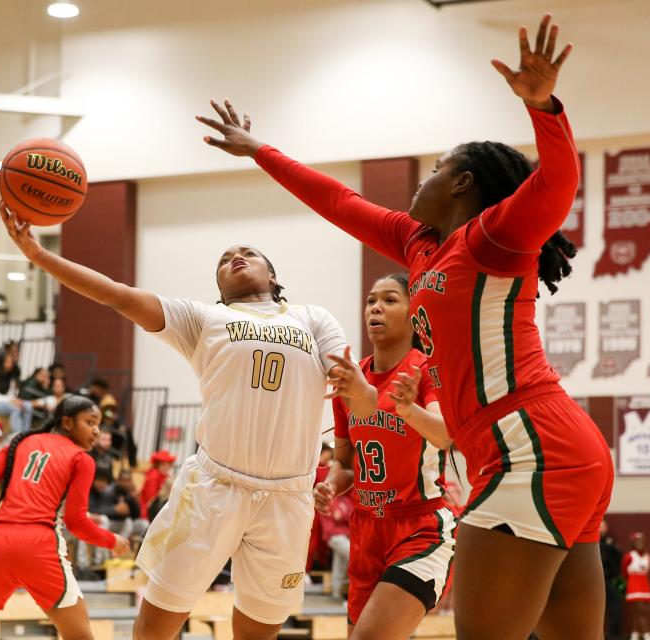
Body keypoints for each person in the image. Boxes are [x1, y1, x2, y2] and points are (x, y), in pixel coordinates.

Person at [198, 14, 613, 639]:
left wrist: (545, 109)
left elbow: (557, 186)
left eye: (437, 168)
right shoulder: (418, 243)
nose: (423, 179)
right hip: (552, 448)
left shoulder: (495, 236)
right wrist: (261, 151)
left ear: (462, 184)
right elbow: (338, 201)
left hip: (528, 446)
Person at [0, 201, 378, 640]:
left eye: (248, 253)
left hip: (288, 496)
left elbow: (354, 386)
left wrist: (353, 385)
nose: (235, 256)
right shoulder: (203, 318)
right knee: (155, 627)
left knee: (260, 632)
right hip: (213, 489)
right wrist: (40, 256)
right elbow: (117, 294)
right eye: (224, 258)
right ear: (218, 285)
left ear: (272, 277)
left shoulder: (312, 317)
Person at [315, 273, 455, 638]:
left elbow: (444, 435)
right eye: (371, 300)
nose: (376, 307)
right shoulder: (352, 379)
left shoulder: (426, 369)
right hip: (366, 529)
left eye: (390, 300)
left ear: (414, 313)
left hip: (420, 527)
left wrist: (409, 410)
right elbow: (346, 463)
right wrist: (331, 485)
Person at [0, 395, 130, 640]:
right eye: (90, 422)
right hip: (39, 546)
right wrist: (112, 541)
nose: (96, 431)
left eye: (99, 425)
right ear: (67, 422)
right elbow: (76, 523)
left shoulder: (20, 442)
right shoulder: (81, 459)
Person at [0, 353, 33, 433]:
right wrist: (11, 401)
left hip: (6, 402)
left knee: (28, 406)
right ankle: (17, 433)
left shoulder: (11, 378)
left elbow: (11, 395)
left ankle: (26, 432)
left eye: (11, 362)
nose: (10, 365)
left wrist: (16, 400)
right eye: (7, 362)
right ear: (1, 363)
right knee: (15, 408)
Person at [622, 532, 650, 640]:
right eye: (637, 541)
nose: (639, 543)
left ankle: (634, 635)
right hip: (634, 586)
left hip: (645, 585)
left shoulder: (647, 556)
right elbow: (624, 571)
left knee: (640, 613)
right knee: (640, 612)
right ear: (633, 543)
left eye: (641, 541)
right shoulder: (629, 556)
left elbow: (647, 572)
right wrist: (629, 582)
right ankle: (647, 634)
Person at [600, 520, 623, 640]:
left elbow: (619, 559)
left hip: (610, 579)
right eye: (600, 525)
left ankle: (614, 634)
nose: (602, 527)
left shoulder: (611, 543)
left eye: (603, 525)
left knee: (615, 606)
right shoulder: (591, 545)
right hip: (597, 581)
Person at [139, 450, 175, 521]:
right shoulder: (154, 476)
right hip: (149, 511)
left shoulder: (165, 476)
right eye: (163, 464)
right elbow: (151, 498)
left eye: (167, 464)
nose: (166, 467)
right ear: (158, 465)